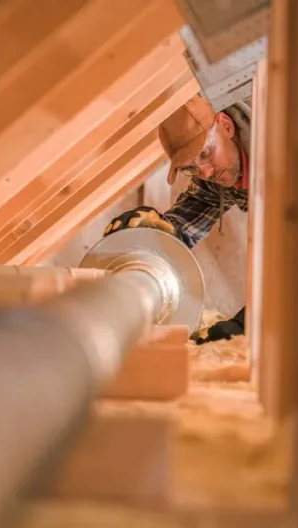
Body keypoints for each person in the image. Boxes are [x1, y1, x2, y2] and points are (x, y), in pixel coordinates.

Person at [103, 95, 250, 345]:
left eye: (205, 153)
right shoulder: (219, 171)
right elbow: (188, 220)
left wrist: (250, 323)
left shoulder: (287, 155)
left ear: (226, 126)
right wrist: (154, 234)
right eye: (191, 168)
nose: (205, 172)